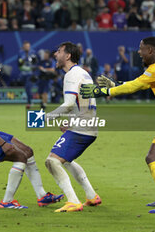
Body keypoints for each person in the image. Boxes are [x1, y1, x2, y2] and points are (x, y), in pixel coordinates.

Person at [80, 37, 155, 214]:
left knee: (153, 158)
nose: (138, 52)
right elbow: (141, 82)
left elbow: (135, 86)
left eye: (141, 49)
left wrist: (103, 91)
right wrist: (117, 84)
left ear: (150, 50)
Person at [0, 57, 63, 209]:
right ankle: (7, 201)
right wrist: (2, 143)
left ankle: (42, 196)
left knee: (28, 151)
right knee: (20, 157)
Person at [45, 42, 101, 213]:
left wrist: (48, 117)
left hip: (82, 129)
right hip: (87, 125)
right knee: (65, 160)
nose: (55, 54)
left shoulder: (71, 75)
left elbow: (69, 103)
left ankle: (73, 201)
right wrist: (71, 121)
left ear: (68, 56)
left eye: (59, 51)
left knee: (52, 161)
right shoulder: (83, 73)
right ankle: (91, 196)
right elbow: (83, 103)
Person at [17, 41, 38, 108]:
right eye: (26, 46)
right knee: (26, 88)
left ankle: (30, 102)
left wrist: (34, 64)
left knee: (28, 87)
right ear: (23, 47)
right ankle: (30, 100)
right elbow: (19, 63)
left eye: (28, 46)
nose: (27, 47)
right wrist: (23, 60)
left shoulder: (33, 52)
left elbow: (36, 63)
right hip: (23, 74)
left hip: (30, 74)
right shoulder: (20, 53)